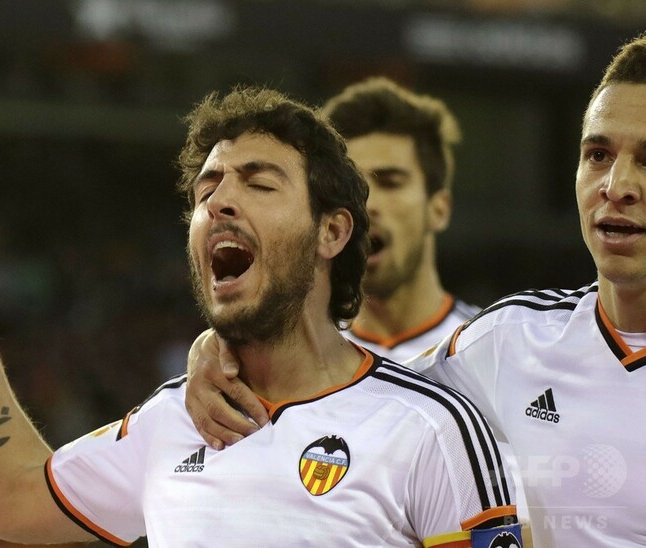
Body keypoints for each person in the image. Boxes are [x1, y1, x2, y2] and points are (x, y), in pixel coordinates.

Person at [0, 86, 521, 546]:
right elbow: (10, 495)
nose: (220, 201)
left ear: (331, 231)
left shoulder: (430, 428)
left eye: (259, 184)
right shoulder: (172, 420)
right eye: (206, 191)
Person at [184, 34, 646, 546]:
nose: (617, 185)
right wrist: (220, 349)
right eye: (598, 154)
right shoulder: (511, 340)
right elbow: (370, 397)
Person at [185, 76, 481, 447]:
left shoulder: (489, 351)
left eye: (390, 182)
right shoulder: (271, 356)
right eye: (355, 185)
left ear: (438, 208)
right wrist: (218, 345)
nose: (368, 203)